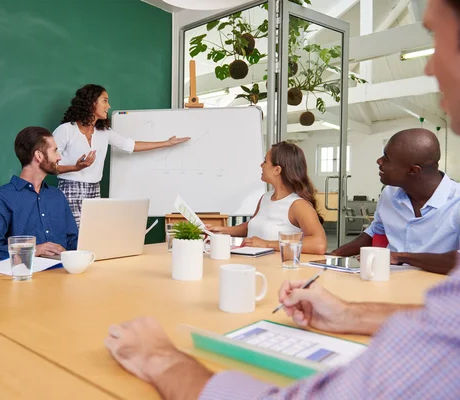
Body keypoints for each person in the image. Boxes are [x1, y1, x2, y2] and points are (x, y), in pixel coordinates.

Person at [103, 0, 460, 397]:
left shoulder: (299, 206)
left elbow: (319, 245)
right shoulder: (385, 199)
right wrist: (346, 302)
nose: (429, 66)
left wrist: (162, 358)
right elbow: (439, 309)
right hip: (369, 292)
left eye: (436, 38)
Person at [53, 84, 190, 226]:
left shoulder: (104, 131)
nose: (109, 106)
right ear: (91, 102)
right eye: (105, 101)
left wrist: (166, 143)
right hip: (70, 188)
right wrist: (75, 168)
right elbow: (50, 166)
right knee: (74, 236)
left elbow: (131, 145)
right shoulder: (66, 130)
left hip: (94, 189)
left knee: (92, 235)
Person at [331, 128, 460, 275]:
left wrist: (400, 257)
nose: (379, 161)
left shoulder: (456, 202)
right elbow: (373, 233)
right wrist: (333, 255)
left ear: (413, 170)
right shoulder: (389, 194)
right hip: (388, 282)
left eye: (386, 158)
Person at [208, 141, 327, 255]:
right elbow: (252, 226)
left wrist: (267, 244)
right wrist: (222, 230)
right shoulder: (265, 197)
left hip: (276, 270)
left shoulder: (298, 205)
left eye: (265, 161)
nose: (261, 165)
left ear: (277, 170)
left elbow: (319, 244)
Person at [0, 126, 78, 261]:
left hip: (63, 274)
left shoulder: (57, 196)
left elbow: (73, 241)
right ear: (39, 156)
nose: (59, 157)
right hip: (23, 277)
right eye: (55, 151)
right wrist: (32, 250)